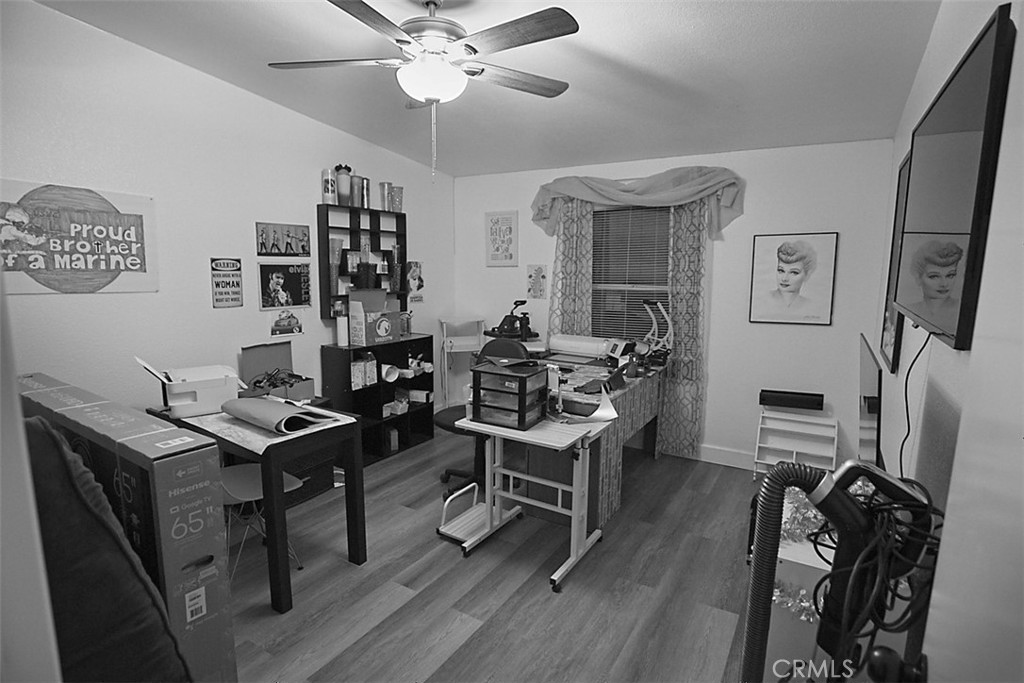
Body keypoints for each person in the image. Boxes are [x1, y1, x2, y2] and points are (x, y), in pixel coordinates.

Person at [903, 240, 963, 332]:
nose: (944, 284)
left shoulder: (963, 312)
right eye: (934, 276)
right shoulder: (910, 310)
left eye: (950, 275)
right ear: (918, 278)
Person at [765, 240, 817, 316]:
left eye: (794, 272)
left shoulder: (811, 305)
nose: (784, 278)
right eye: (781, 270)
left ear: (807, 275)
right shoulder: (764, 299)